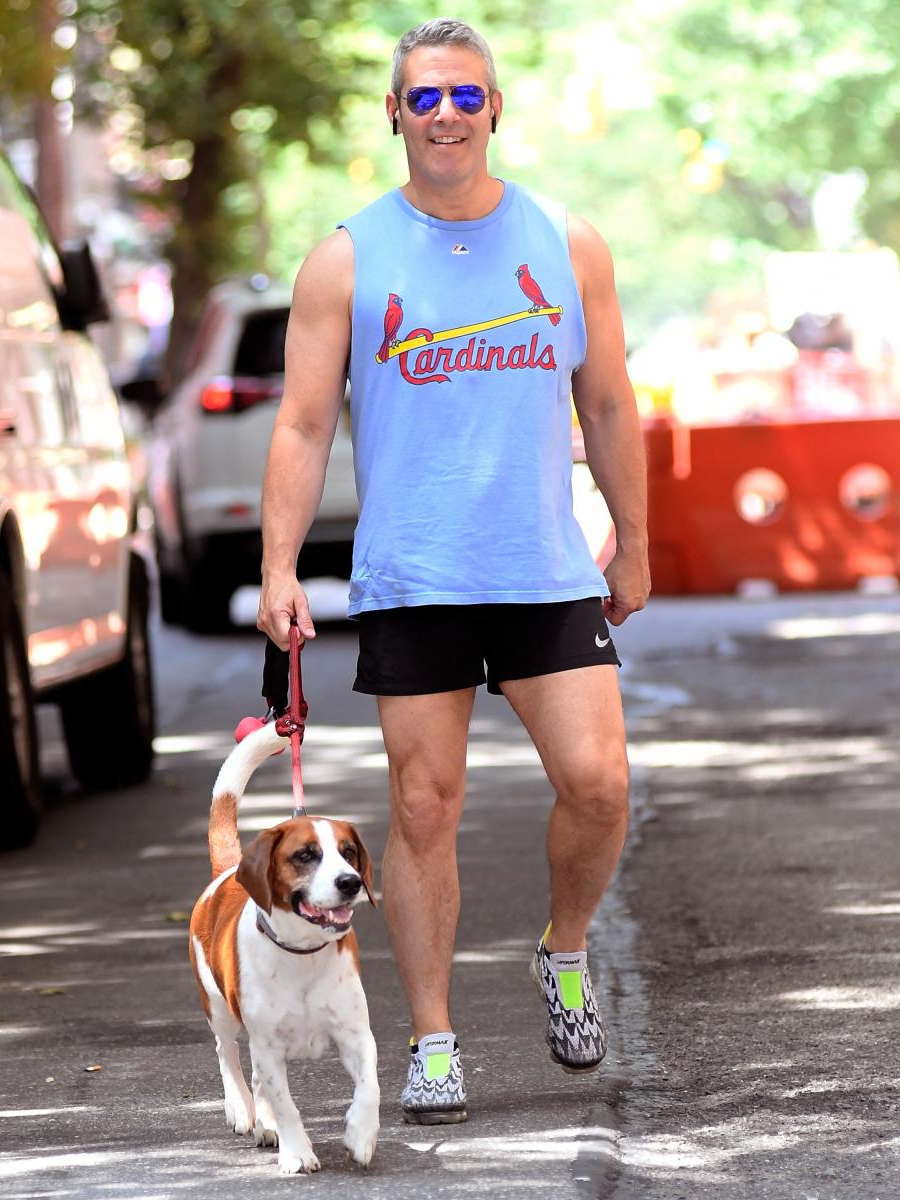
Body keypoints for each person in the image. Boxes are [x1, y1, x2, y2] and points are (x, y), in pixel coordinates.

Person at [258, 17, 649, 1125]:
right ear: (395, 113)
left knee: (601, 783)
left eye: (464, 96)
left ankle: (564, 953)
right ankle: (433, 1038)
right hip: (414, 574)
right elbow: (299, 424)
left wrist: (640, 539)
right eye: (424, 97)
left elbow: (610, 404)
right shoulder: (347, 256)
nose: (445, 113)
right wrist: (280, 568)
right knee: (424, 810)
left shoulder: (568, 244)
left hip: (544, 566)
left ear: (494, 112)